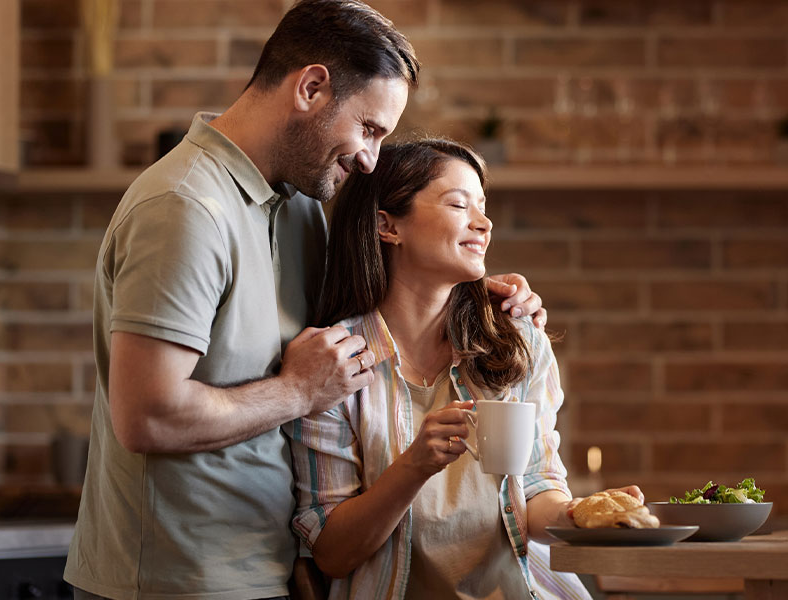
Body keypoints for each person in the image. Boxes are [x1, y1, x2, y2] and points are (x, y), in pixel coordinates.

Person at [64, 3, 544, 599]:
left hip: (261, 568)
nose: (370, 159)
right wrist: (298, 392)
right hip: (175, 577)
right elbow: (147, 416)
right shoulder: (184, 207)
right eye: (368, 129)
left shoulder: (297, 206)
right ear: (311, 87)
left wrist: (487, 295)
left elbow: (371, 302)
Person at [287, 139, 642, 600]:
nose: (484, 223)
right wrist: (414, 467)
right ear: (386, 225)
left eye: (483, 206)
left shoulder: (517, 342)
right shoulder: (333, 365)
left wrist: (582, 515)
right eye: (459, 204)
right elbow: (333, 553)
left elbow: (534, 488)